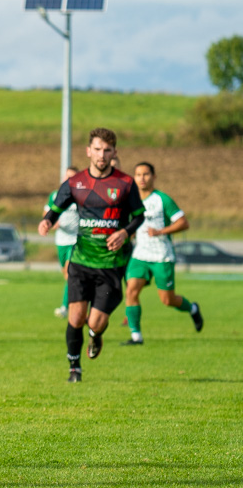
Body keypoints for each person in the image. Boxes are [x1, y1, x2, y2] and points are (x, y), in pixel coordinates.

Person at [38, 128, 145, 383]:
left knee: (95, 323)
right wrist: (46, 221)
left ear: (114, 153)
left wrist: (124, 232)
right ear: (88, 151)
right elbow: (55, 208)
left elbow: (139, 216)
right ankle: (74, 367)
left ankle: (96, 337)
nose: (102, 154)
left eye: (107, 150)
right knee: (76, 317)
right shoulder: (75, 183)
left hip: (110, 265)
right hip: (81, 262)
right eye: (97, 149)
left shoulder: (125, 183)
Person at [121, 162, 203, 345]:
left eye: (146, 174)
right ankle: (136, 336)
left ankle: (193, 308)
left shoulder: (162, 199)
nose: (142, 178)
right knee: (131, 291)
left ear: (154, 177)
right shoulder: (131, 199)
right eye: (138, 174)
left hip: (161, 256)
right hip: (140, 255)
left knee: (168, 299)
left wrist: (161, 231)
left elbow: (183, 223)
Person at [44, 166, 80, 319]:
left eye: (72, 177)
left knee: (70, 273)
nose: (68, 180)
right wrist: (51, 221)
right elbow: (46, 212)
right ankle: (79, 299)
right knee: (67, 275)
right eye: (67, 177)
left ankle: (66, 306)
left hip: (76, 239)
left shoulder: (81, 196)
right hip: (61, 240)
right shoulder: (56, 195)